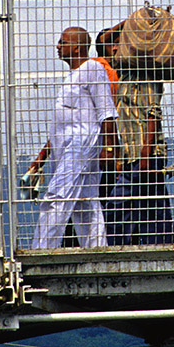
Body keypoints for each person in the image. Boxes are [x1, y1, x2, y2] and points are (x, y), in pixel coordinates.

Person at [28, 27, 118, 249]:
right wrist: (42, 158)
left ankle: (41, 250)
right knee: (85, 203)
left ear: (77, 47)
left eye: (63, 42)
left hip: (81, 146)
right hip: (65, 148)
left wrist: (109, 149)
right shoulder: (71, 77)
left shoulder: (93, 69)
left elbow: (106, 112)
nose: (58, 46)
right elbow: (61, 125)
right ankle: (97, 249)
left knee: (55, 197)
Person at [100, 24, 174, 245]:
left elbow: (153, 113)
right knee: (150, 206)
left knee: (120, 204)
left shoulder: (147, 74)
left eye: (119, 45)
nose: (113, 49)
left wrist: (145, 153)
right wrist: (128, 25)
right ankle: (162, 245)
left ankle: (117, 248)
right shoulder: (123, 75)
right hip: (130, 154)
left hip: (145, 153)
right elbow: (104, 40)